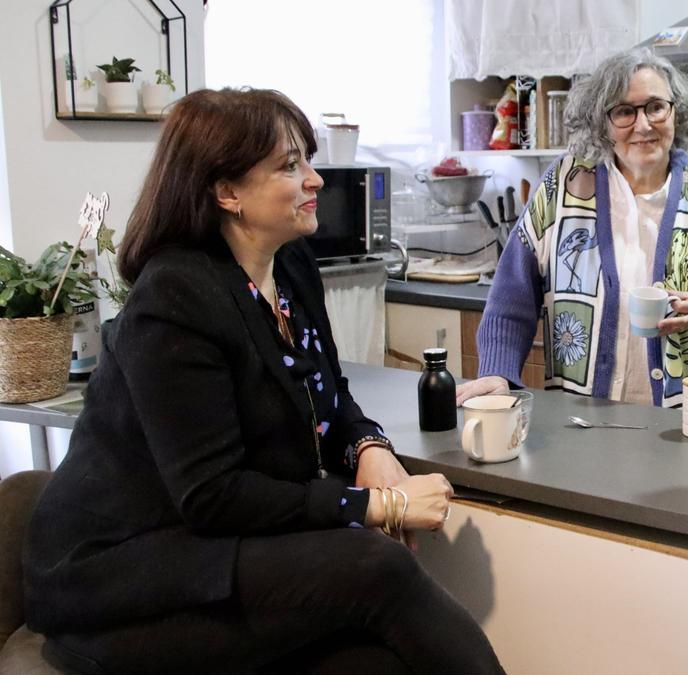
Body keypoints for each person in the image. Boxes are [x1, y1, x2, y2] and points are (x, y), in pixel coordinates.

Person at [23, 89, 504, 674]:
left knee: (375, 662)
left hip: (216, 551)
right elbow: (212, 495)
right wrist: (376, 505)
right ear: (227, 193)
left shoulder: (292, 266)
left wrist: (366, 447)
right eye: (289, 164)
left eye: (307, 157)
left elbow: (327, 393)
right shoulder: (174, 297)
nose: (315, 179)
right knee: (378, 565)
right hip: (126, 579)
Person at [457, 47, 688, 410]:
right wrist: (497, 373)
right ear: (602, 123)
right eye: (624, 111)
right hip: (585, 423)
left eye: (656, 107)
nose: (643, 125)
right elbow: (512, 297)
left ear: (676, 112)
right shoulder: (563, 187)